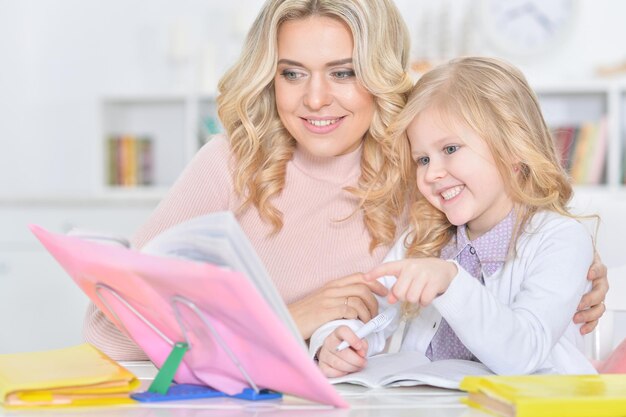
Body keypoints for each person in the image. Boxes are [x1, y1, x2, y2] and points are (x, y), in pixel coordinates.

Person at [83, 1, 608, 361]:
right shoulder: (231, 164)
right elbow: (108, 329)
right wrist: (291, 318)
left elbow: (502, 257)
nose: (314, 99)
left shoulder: (421, 171)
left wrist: (572, 274)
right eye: (292, 73)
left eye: (343, 72)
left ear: (379, 73)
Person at [312, 57, 599, 378]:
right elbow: (369, 312)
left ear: (513, 147)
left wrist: (451, 281)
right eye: (422, 159)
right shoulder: (422, 240)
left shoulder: (559, 239)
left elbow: (523, 354)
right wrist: (333, 341)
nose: (432, 173)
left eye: (450, 149)